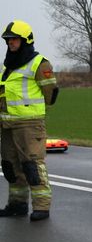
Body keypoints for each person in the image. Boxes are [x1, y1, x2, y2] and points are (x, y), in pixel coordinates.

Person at [0, 20, 57, 221]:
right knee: (10, 166)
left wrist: (31, 111)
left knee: (32, 165)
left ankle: (42, 206)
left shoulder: (39, 63)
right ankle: (17, 204)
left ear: (25, 40)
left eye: (13, 39)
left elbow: (50, 93)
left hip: (29, 124)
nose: (10, 43)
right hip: (7, 124)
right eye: (7, 40)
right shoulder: (7, 66)